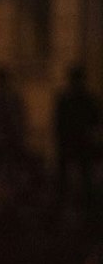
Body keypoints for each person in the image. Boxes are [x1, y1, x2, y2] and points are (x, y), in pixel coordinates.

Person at [53, 65, 99, 213]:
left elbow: (58, 122)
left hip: (73, 142)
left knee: (73, 175)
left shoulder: (67, 99)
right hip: (78, 142)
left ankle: (66, 204)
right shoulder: (86, 99)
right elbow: (95, 121)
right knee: (82, 175)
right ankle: (85, 206)